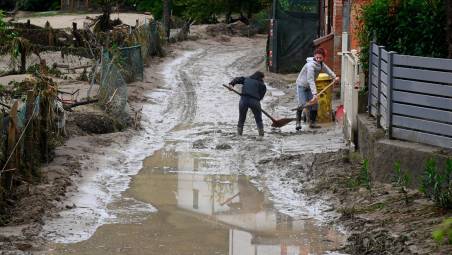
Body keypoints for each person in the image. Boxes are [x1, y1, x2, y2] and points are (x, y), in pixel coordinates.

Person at [295, 48, 339, 130]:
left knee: (314, 104)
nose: (318, 59)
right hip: (302, 85)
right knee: (302, 104)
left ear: (323, 57)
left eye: (320, 58)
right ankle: (298, 122)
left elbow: (327, 70)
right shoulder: (310, 65)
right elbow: (310, 80)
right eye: (317, 57)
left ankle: (312, 123)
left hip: (310, 86)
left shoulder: (321, 64)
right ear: (314, 56)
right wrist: (315, 94)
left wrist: (334, 77)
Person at [229, 71, 267, 136]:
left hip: (243, 100)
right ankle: (261, 135)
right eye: (263, 78)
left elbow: (237, 79)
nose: (263, 80)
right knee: (258, 119)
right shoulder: (262, 84)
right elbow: (261, 96)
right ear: (260, 77)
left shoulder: (246, 79)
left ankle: (239, 135)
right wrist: (257, 102)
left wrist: (231, 84)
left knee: (241, 118)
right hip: (254, 101)